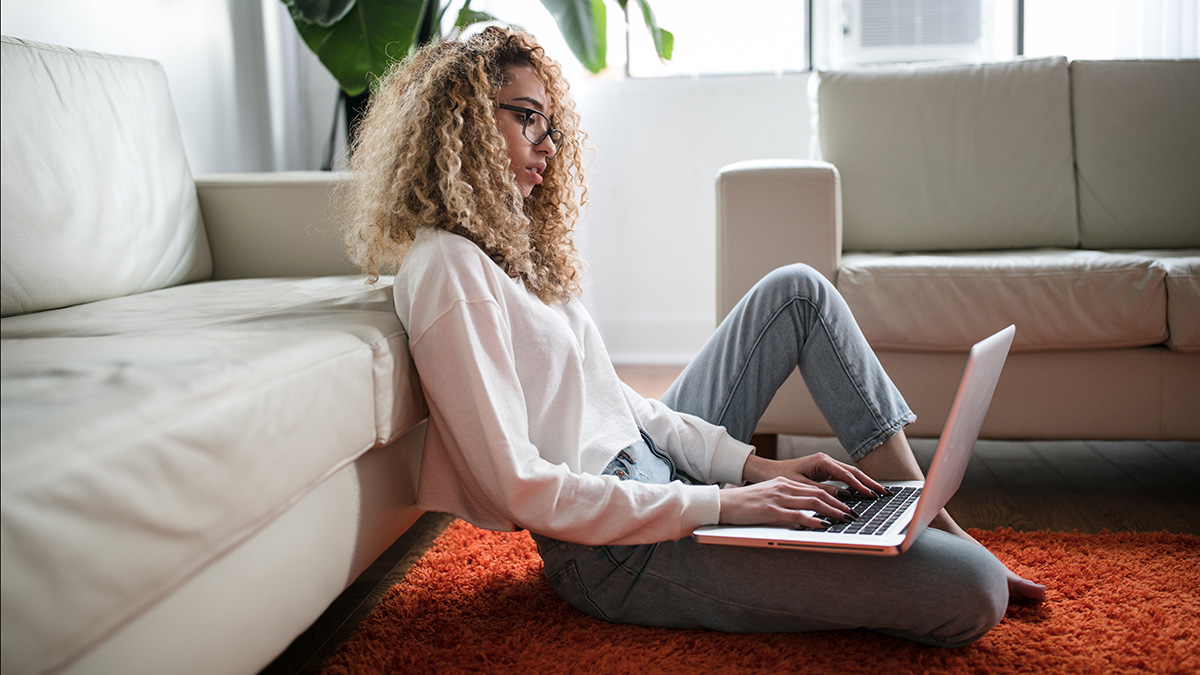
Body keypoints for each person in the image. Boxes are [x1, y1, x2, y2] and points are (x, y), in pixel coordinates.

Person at [344, 25, 1044, 648]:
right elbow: (521, 487)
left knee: (796, 290)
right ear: (461, 120)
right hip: (613, 551)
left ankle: (920, 510)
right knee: (974, 589)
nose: (548, 146)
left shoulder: (509, 249)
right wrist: (723, 504)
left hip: (655, 473)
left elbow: (620, 404)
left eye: (551, 126)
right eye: (527, 119)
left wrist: (751, 470)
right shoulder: (448, 268)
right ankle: (920, 543)